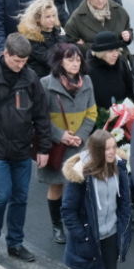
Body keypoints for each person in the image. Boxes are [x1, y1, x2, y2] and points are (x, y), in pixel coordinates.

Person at [0, 33, 54, 263]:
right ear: (5, 53)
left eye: (24, 61)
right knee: (1, 195)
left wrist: (43, 147)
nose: (20, 65)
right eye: (17, 61)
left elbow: (41, 114)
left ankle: (15, 242)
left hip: (22, 149)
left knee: (20, 197)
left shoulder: (30, 77)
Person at [62, 130, 130, 269]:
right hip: (91, 235)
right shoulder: (82, 175)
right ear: (97, 151)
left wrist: (122, 227)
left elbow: (125, 201)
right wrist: (82, 235)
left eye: (113, 147)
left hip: (111, 232)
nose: (112, 152)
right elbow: (68, 210)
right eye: (107, 149)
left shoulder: (119, 167)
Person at [40, 42, 96, 245]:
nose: (75, 63)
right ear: (59, 61)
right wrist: (61, 135)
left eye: (78, 59)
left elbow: (92, 112)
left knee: (79, 185)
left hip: (79, 144)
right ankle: (57, 226)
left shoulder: (87, 81)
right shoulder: (46, 84)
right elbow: (40, 116)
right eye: (69, 59)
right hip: (59, 145)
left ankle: (76, 223)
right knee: (56, 186)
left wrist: (80, 135)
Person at [63, 0, 132, 51]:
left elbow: (128, 29)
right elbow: (69, 43)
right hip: (92, 61)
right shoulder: (77, 17)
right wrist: (84, 47)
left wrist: (128, 36)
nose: (100, 0)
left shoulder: (120, 11)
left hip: (119, 59)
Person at [86, 31, 134, 120]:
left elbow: (130, 90)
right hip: (98, 123)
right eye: (111, 51)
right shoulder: (89, 71)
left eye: (117, 50)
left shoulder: (121, 64)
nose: (115, 54)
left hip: (124, 118)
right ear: (100, 52)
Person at [15, 0, 65, 79]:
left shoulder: (58, 30)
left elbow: (66, 49)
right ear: (37, 18)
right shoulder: (31, 37)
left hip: (57, 73)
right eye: (47, 17)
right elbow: (47, 58)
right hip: (39, 77)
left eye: (53, 16)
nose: (52, 19)